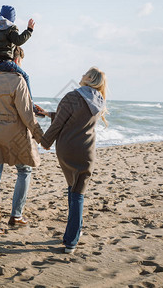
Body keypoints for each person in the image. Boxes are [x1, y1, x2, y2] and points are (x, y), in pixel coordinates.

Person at [39, 67, 108, 253]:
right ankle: (73, 235)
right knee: (78, 190)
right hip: (87, 151)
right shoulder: (99, 100)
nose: (82, 75)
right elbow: (75, 119)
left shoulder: (72, 96)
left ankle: (71, 239)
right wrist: (47, 114)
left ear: (90, 78)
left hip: (67, 149)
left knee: (74, 189)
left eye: (85, 73)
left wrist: (45, 141)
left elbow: (62, 122)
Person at [0, 46, 44, 237]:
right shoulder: (18, 80)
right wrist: (40, 136)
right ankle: (16, 215)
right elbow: (27, 115)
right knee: (24, 170)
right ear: (16, 61)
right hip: (15, 133)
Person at [0, 5, 43, 117]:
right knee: (25, 77)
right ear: (12, 18)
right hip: (5, 64)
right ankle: (31, 106)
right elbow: (19, 40)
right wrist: (29, 30)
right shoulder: (11, 28)